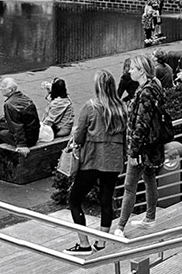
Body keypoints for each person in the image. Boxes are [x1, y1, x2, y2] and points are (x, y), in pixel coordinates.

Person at [64, 70, 128, 253]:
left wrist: (76, 144)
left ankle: (84, 244)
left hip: (92, 159)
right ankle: (101, 243)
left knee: (75, 199)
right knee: (106, 199)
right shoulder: (122, 107)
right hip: (114, 159)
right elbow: (126, 134)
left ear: (97, 86)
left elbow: (80, 134)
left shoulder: (91, 107)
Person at [118, 54, 173, 236]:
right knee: (149, 179)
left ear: (141, 71)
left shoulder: (145, 93)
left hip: (142, 149)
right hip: (152, 146)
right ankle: (150, 218)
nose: (129, 71)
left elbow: (141, 125)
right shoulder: (154, 86)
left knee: (129, 186)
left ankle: (120, 227)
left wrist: (133, 152)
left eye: (132, 68)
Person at [42, 79, 75, 143]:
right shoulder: (63, 97)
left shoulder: (59, 103)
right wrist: (49, 89)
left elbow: (50, 120)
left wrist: (40, 128)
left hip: (61, 130)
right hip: (60, 127)